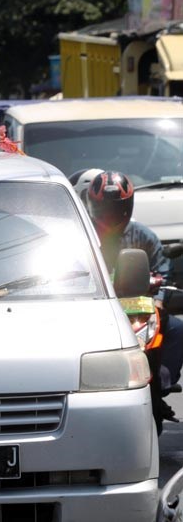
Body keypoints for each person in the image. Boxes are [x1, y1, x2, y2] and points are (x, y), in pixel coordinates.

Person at [80, 170, 183, 401]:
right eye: (104, 209)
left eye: (116, 210)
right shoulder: (83, 236)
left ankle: (163, 378)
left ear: (128, 207)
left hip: (141, 312)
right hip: (96, 310)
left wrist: (158, 302)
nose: (110, 216)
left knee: (176, 329)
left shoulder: (144, 236)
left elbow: (163, 272)